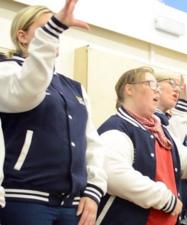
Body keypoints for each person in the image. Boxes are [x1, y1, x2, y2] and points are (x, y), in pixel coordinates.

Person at [0, 1, 107, 225]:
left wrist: (94, 189)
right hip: (24, 199)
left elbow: (92, 144)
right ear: (22, 36)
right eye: (48, 27)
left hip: (71, 205)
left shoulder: (74, 88)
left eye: (57, 29)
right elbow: (27, 91)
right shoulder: (8, 70)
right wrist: (53, 29)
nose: (55, 32)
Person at [96, 67, 187, 225]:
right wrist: (166, 198)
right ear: (129, 89)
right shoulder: (117, 127)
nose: (157, 91)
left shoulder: (160, 131)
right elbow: (114, 174)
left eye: (158, 86)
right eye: (151, 84)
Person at [154, 71, 187, 224]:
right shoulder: (153, 120)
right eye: (172, 83)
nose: (177, 89)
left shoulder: (173, 118)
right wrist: (182, 109)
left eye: (180, 85)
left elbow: (184, 154)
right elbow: (170, 149)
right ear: (154, 86)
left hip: (182, 212)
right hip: (163, 210)